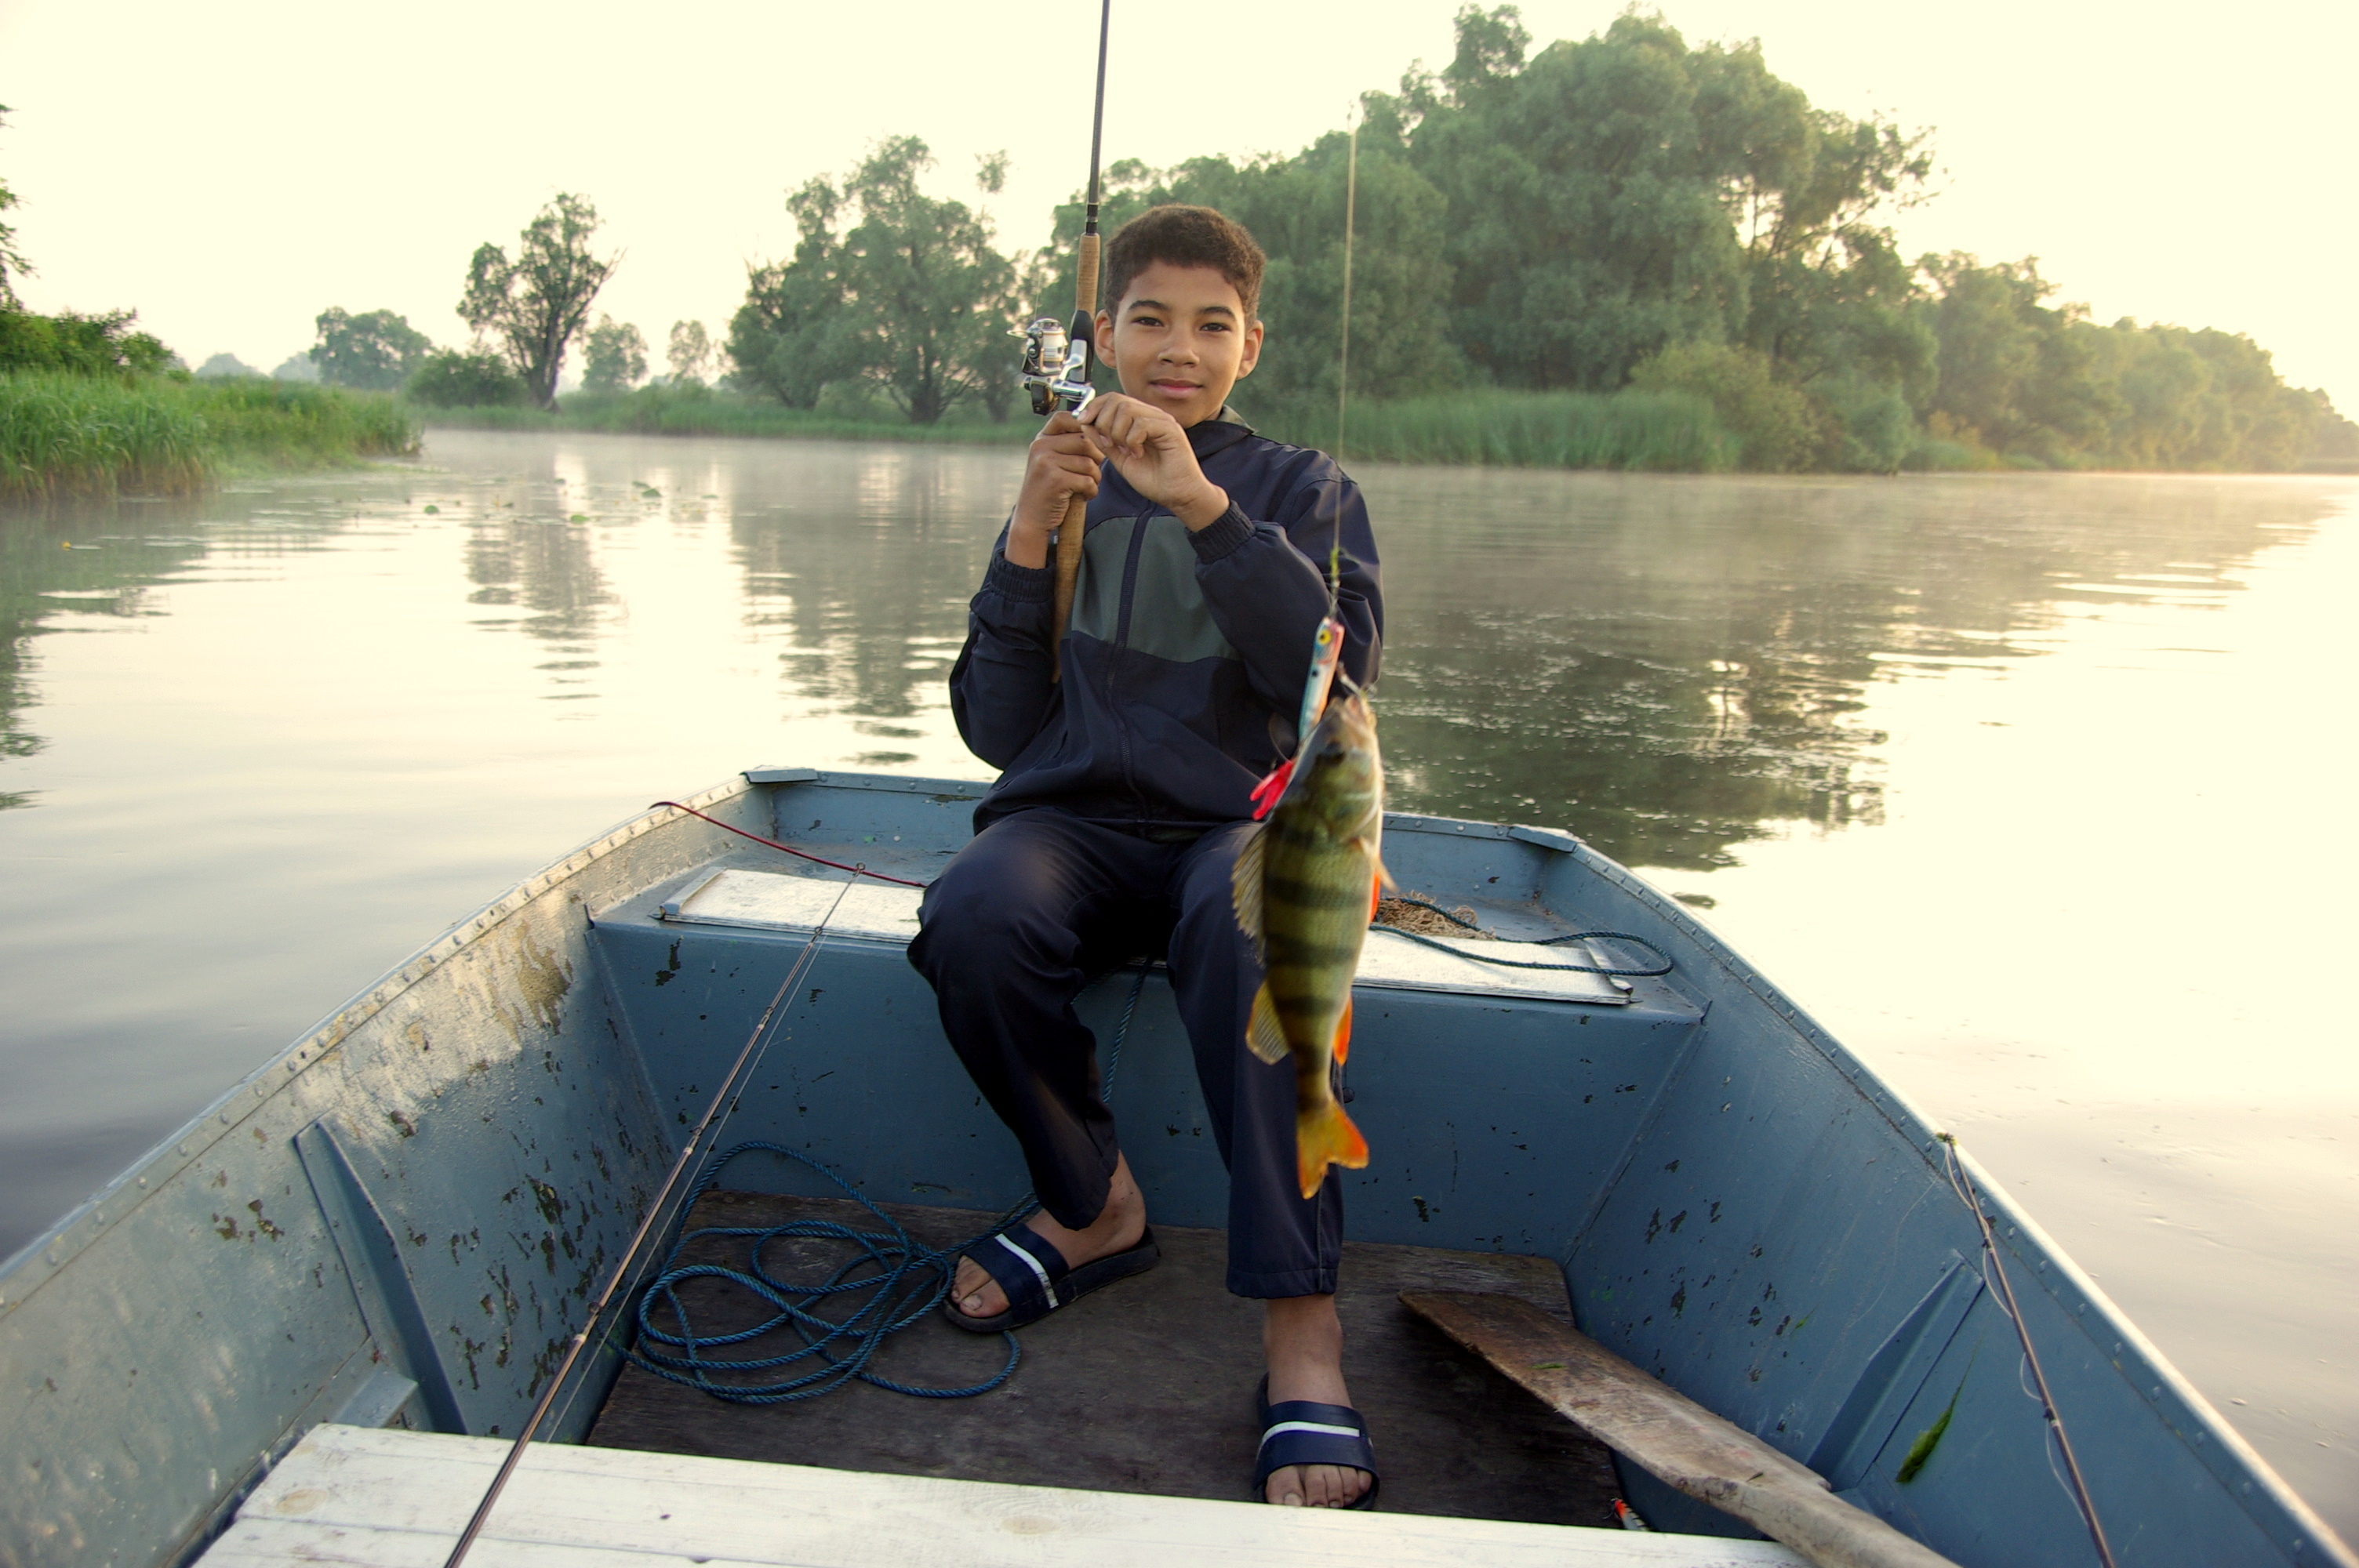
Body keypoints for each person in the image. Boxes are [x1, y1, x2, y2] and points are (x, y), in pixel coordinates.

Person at [907, 205, 1383, 1508]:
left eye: (1212, 325)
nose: (1180, 348)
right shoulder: (1066, 475)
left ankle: (1303, 1327)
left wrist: (1203, 507)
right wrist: (1026, 529)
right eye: (1150, 319)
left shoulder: (1302, 490)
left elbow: (1338, 682)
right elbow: (998, 730)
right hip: (1073, 828)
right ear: (1103, 335)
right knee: (974, 910)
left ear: (1251, 345)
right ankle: (1092, 1204)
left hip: (1233, 832)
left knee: (1251, 932)